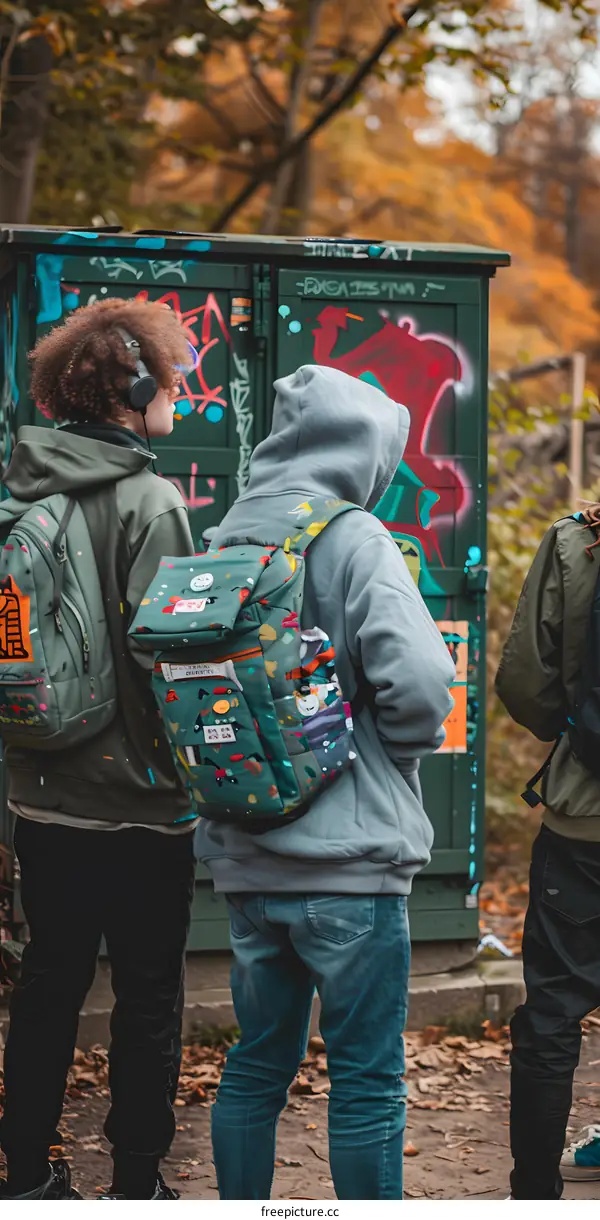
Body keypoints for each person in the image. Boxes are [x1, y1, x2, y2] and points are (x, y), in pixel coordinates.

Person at [195, 364, 455, 1201]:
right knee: (367, 1084)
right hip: (350, 868)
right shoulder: (354, 537)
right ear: (370, 450)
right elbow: (420, 686)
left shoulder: (223, 538)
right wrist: (391, 760)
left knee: (254, 1068)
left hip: (245, 855)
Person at [0, 299, 197, 1200]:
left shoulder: (18, 493)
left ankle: (31, 1174)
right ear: (137, 389)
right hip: (143, 808)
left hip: (41, 791)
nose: (178, 398)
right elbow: (172, 662)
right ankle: (137, 1181)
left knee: (48, 985)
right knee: (148, 995)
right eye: (171, 383)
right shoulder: (153, 500)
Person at [496, 505, 600, 1199]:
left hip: (583, 821)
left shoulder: (576, 541)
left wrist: (574, 730)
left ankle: (534, 1191)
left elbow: (524, 683)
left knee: (555, 1009)